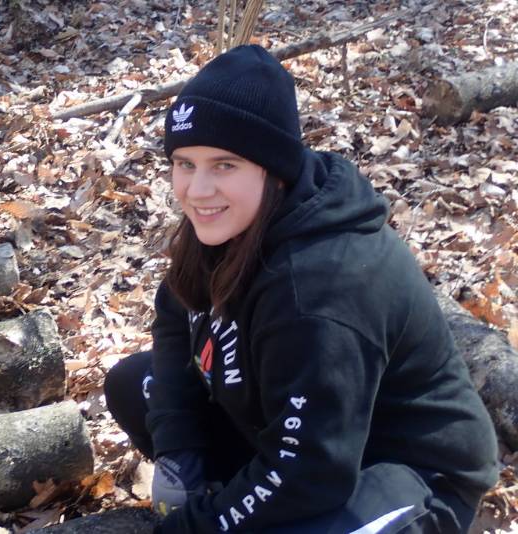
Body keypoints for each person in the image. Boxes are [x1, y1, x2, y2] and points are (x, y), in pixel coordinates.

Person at [103, 45, 499, 534]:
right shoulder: (226, 224)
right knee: (132, 384)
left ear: (273, 168)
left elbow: (311, 469)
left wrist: (195, 528)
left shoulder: (320, 288)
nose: (197, 190)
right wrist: (179, 450)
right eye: (185, 163)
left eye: (224, 165)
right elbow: (175, 319)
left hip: (401, 469)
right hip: (301, 433)